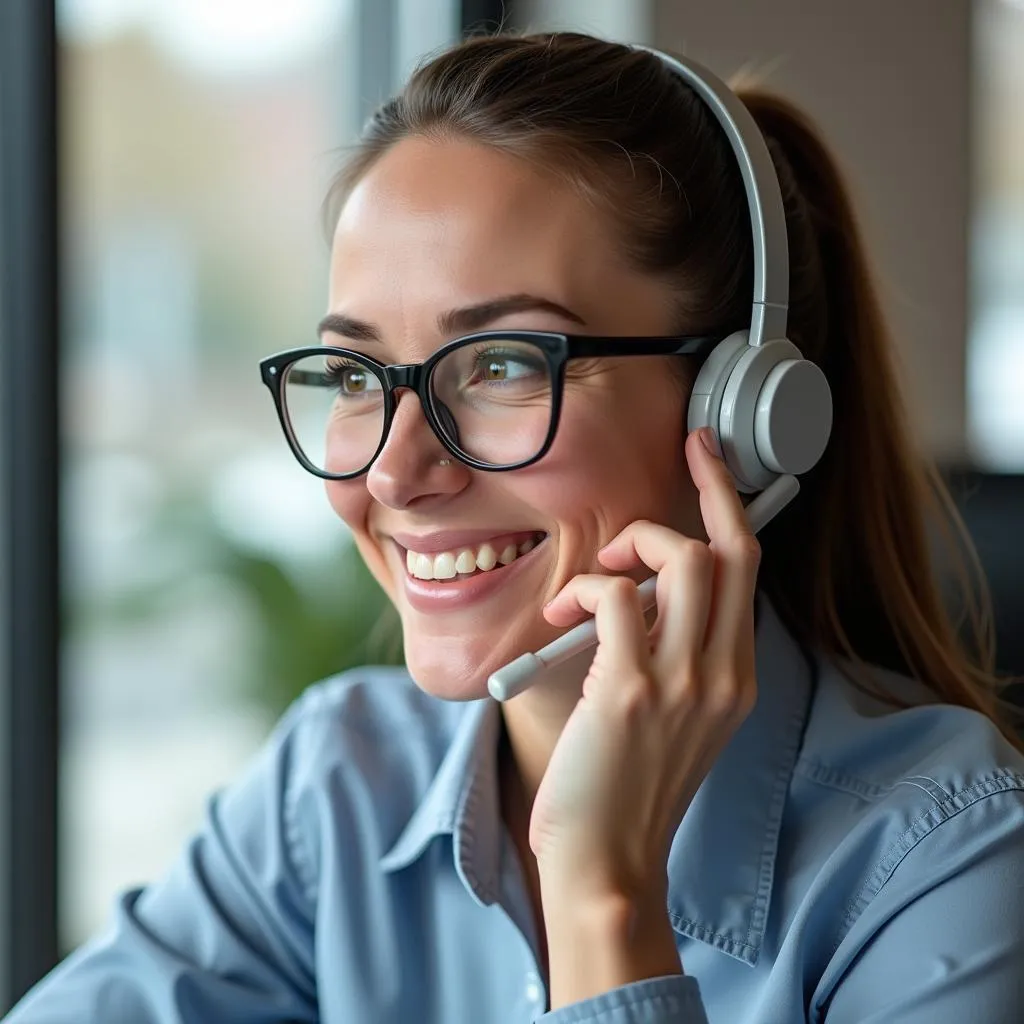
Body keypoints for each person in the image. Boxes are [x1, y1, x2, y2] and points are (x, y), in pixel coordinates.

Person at [6, 30, 1024, 1024]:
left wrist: (601, 892)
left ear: (740, 411)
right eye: (357, 374)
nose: (396, 470)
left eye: (500, 364)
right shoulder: (337, 789)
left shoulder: (947, 858)